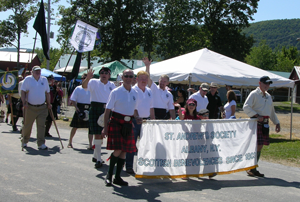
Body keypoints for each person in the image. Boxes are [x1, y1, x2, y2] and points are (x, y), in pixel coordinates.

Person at [102, 69, 141, 186]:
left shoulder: (135, 93)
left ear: (134, 79)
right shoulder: (115, 92)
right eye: (126, 76)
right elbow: (107, 110)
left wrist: (137, 117)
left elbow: (134, 109)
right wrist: (105, 127)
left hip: (128, 123)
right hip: (116, 122)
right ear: (122, 77)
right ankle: (109, 175)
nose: (128, 78)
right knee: (118, 150)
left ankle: (117, 177)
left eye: (131, 76)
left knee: (124, 151)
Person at [243, 76, 280, 177]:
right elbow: (246, 107)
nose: (267, 85)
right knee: (257, 146)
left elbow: (271, 111)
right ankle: (251, 168)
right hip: (256, 122)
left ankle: (252, 167)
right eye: (265, 83)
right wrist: (256, 115)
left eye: (268, 84)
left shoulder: (268, 96)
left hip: (265, 123)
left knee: (260, 146)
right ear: (260, 83)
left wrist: (277, 122)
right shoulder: (254, 94)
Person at [82, 66, 116, 168]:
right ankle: (99, 159)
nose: (104, 75)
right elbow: (84, 86)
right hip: (95, 108)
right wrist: (88, 78)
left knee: (102, 134)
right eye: (102, 73)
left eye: (106, 73)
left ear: (109, 76)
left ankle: (95, 155)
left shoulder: (112, 85)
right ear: (99, 74)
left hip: (106, 110)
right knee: (97, 133)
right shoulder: (93, 82)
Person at [125, 70, 155, 174]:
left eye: (145, 79)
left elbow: (151, 108)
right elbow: (132, 107)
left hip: (146, 121)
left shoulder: (149, 91)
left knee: (145, 145)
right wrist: (137, 117)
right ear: (136, 79)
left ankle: (143, 166)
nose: (144, 81)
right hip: (134, 120)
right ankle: (128, 166)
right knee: (131, 145)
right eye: (141, 79)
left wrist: (153, 121)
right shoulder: (133, 90)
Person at [21, 66, 51, 150]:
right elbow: (23, 91)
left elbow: (47, 92)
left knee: (41, 126)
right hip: (30, 107)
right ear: (32, 72)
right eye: (36, 71)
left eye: (39, 71)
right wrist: (24, 102)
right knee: (27, 125)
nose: (38, 72)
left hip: (42, 107)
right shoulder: (28, 79)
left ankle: (41, 143)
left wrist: (49, 103)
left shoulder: (44, 79)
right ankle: (24, 141)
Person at [68, 74, 91, 148]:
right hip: (80, 108)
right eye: (83, 78)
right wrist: (76, 107)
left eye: (86, 78)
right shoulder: (78, 88)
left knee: (90, 128)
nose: (85, 79)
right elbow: (73, 99)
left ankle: (90, 145)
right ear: (81, 79)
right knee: (75, 126)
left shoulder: (92, 88)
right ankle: (70, 142)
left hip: (90, 108)